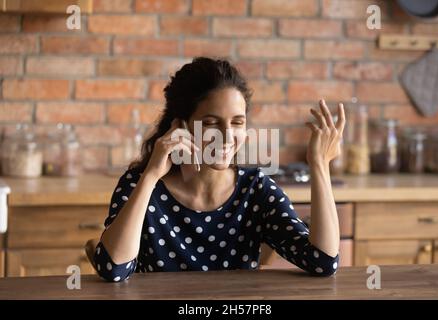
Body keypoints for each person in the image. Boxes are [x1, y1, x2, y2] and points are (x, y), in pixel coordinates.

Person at [93, 57, 345, 282]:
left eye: (237, 122)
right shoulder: (140, 185)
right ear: (181, 125)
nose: (227, 136)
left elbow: (323, 262)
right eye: (212, 123)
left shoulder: (255, 189)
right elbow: (113, 268)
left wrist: (320, 165)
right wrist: (150, 175)